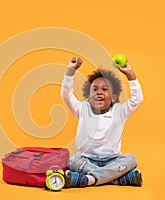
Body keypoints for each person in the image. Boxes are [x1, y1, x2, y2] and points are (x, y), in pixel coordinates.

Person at [61, 57, 144, 187]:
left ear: (114, 97)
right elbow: (66, 94)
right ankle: (116, 179)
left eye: (105, 89)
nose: (99, 92)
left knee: (130, 159)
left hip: (112, 160)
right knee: (72, 161)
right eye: (94, 89)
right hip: (85, 160)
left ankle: (88, 179)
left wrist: (130, 74)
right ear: (88, 96)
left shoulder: (120, 111)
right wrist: (71, 70)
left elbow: (137, 99)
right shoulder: (83, 109)